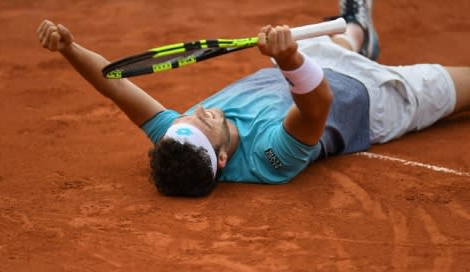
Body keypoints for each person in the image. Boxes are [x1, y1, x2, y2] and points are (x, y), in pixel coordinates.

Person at [37, 0, 469, 197]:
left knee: (338, 37)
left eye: (188, 118)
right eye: (205, 122)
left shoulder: (180, 135)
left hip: (314, 58)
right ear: (221, 160)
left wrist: (69, 48)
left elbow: (114, 83)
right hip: (378, 97)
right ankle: (352, 34)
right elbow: (318, 102)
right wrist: (288, 59)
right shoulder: (270, 159)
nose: (200, 111)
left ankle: (354, 30)